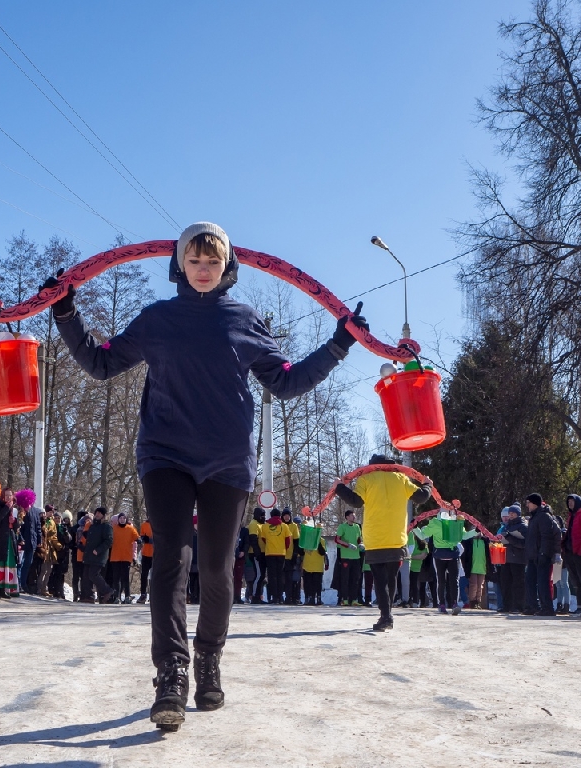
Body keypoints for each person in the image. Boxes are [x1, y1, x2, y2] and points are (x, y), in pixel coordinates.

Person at [47, 222, 367, 729]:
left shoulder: (243, 320)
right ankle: (171, 674)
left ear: (227, 268)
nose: (203, 270)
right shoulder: (157, 319)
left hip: (227, 462)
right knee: (171, 561)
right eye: (194, 261)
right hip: (165, 454)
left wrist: (337, 345)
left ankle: (208, 658)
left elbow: (285, 383)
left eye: (213, 262)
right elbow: (101, 363)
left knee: (217, 570)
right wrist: (65, 312)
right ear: (179, 265)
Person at [335, 455, 433, 630]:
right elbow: (421, 497)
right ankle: (388, 616)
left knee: (379, 580)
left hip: (375, 539)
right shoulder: (401, 478)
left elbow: (356, 501)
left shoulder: (366, 478)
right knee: (392, 578)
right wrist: (428, 484)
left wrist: (339, 488)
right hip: (396, 539)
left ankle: (385, 616)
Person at [415, 510, 477, 615]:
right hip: (452, 555)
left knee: (441, 581)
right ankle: (453, 604)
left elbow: (422, 535)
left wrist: (414, 527)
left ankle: (443, 604)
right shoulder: (455, 522)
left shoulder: (436, 522)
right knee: (453, 581)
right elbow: (464, 536)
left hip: (440, 555)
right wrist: (476, 531)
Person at [522, 494, 562, 616]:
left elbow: (547, 537)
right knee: (530, 580)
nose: (527, 505)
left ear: (535, 503)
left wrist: (544, 553)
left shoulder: (544, 516)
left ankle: (547, 608)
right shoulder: (534, 518)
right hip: (533, 556)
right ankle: (533, 606)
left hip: (542, 555)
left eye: (528, 502)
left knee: (543, 582)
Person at [562, 495, 581, 613]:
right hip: (570, 553)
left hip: (580, 553)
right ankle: (580, 605)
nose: (570, 504)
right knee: (576, 581)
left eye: (572, 501)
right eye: (568, 501)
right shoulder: (570, 516)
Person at [81, 507, 115, 603]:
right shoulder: (92, 526)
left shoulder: (106, 526)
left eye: (100, 513)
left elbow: (109, 541)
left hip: (98, 555)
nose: (97, 514)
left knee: (94, 575)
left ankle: (107, 590)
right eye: (96, 512)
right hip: (89, 555)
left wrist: (98, 550)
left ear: (103, 516)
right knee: (86, 576)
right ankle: (89, 596)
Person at [498, 505, 528, 614]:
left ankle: (518, 606)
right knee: (505, 582)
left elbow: (525, 543)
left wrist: (510, 538)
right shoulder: (506, 526)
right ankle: (506, 605)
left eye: (512, 514)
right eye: (509, 514)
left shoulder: (523, 526)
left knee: (518, 583)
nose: (510, 516)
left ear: (518, 514)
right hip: (506, 558)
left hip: (518, 559)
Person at [259, 509, 290, 604]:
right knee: (280, 575)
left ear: (271, 515)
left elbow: (263, 539)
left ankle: (274, 597)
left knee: (272, 576)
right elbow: (288, 540)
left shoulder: (265, 526)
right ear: (280, 516)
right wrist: (283, 548)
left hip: (269, 553)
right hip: (281, 553)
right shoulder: (284, 526)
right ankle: (280, 597)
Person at [334, 509, 362, 606]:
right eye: (352, 516)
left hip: (356, 556)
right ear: (347, 517)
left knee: (355, 578)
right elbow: (337, 539)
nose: (354, 517)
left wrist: (361, 544)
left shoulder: (357, 527)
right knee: (345, 578)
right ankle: (344, 599)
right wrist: (347, 545)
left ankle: (354, 599)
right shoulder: (342, 527)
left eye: (354, 515)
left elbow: (359, 538)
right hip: (345, 556)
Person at [110, 512, 139, 604]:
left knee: (125, 578)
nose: (122, 520)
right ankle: (117, 597)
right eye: (120, 518)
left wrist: (139, 539)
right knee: (116, 578)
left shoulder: (130, 529)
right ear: (118, 519)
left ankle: (127, 596)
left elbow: (136, 537)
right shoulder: (114, 528)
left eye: (124, 518)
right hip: (115, 556)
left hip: (126, 556)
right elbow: (108, 538)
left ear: (126, 519)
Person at [17, 491, 42, 593]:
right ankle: (19, 583)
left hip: (32, 543)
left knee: (28, 563)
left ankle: (23, 583)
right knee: (20, 563)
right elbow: (18, 528)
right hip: (22, 543)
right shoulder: (20, 511)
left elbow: (38, 527)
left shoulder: (35, 512)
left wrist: (39, 540)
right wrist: (20, 539)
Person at [50, 510, 73, 599]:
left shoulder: (63, 527)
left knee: (61, 573)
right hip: (54, 552)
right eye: (55, 518)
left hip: (63, 554)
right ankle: (54, 590)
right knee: (53, 572)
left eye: (59, 518)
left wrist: (66, 533)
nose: (57, 519)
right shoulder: (52, 527)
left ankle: (60, 591)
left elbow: (69, 540)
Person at [246, 507, 267, 604]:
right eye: (262, 515)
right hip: (255, 553)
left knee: (262, 575)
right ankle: (254, 596)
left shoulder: (261, 524)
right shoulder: (254, 524)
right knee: (259, 575)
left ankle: (258, 595)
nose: (263, 517)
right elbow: (253, 540)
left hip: (262, 553)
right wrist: (257, 553)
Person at [301, 531, 327, 605]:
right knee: (308, 584)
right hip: (307, 566)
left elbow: (322, 552)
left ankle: (318, 598)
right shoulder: (306, 540)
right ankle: (309, 598)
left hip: (317, 566)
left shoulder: (321, 540)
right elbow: (301, 552)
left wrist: (317, 542)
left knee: (317, 584)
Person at [138, 517, 154, 604]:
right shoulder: (144, 525)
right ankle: (143, 594)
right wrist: (145, 539)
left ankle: (154, 594)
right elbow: (142, 538)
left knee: (155, 575)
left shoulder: (158, 524)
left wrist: (150, 539)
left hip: (156, 554)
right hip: (146, 554)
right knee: (144, 575)